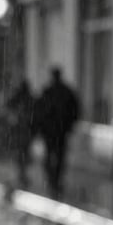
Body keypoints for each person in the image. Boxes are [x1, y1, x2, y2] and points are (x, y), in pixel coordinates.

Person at [36, 66, 79, 198]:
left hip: (54, 131)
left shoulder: (49, 92)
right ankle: (54, 179)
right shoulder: (65, 92)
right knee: (58, 155)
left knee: (52, 155)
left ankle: (53, 179)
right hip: (58, 131)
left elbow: (39, 111)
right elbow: (75, 110)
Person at [5, 78, 36, 188]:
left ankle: (21, 174)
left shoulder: (21, 98)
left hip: (21, 131)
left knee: (21, 152)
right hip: (24, 131)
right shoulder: (28, 98)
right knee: (22, 152)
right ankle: (22, 174)